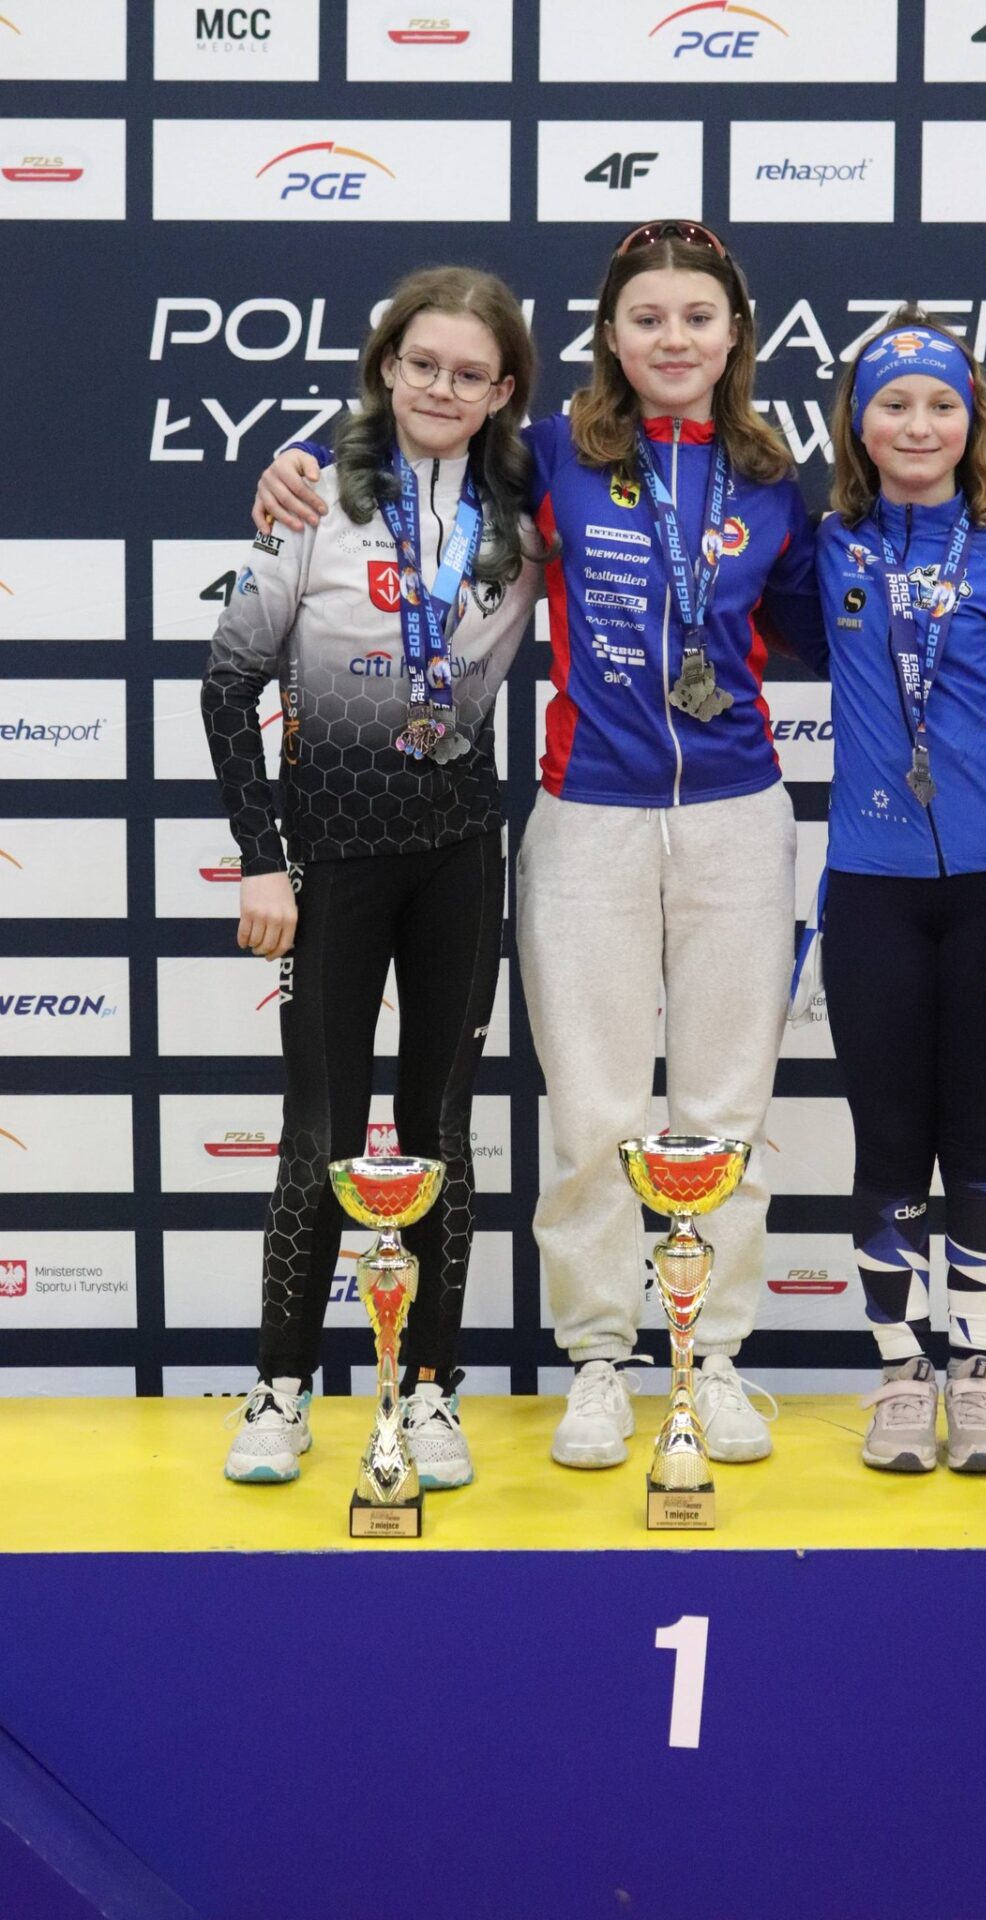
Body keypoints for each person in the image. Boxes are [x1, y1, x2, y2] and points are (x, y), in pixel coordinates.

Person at [252, 221, 829, 1472]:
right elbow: (413, 438)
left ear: (735, 334)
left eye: (696, 317)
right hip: (587, 819)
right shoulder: (551, 454)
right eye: (646, 317)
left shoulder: (773, 475)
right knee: (595, 1113)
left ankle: (714, 1358)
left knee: (726, 1108)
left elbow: (824, 622)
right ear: (608, 334)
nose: (672, 338)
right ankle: (602, 1361)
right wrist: (294, 460)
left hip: (739, 819)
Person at [205, 266, 548, 1488]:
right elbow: (228, 684)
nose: (441, 389)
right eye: (422, 365)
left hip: (457, 851)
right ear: (386, 367)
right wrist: (262, 861)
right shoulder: (312, 496)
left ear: (502, 391)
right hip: (331, 854)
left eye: (470, 373)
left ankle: (433, 1391)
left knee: (439, 1132)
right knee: (322, 1131)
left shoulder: (531, 510)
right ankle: (281, 1390)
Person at [816, 307, 986, 1474]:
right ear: (858, 425)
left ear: (972, 426)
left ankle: (976, 1371)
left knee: (980, 1148)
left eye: (941, 405)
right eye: (893, 403)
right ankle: (897, 1375)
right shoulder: (822, 553)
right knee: (887, 1144)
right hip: (871, 896)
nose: (917, 424)